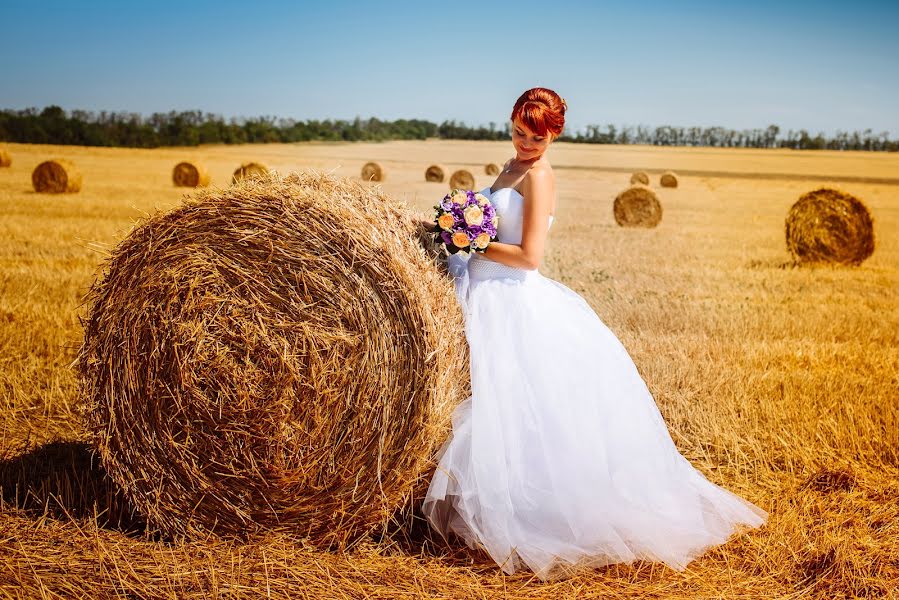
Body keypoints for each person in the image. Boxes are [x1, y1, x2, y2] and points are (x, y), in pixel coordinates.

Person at [417, 87, 767, 581]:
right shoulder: (509, 166)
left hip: (511, 297)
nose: (524, 144)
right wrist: (463, 239)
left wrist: (471, 240)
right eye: (518, 132)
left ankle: (530, 513)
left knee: (517, 411)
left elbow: (530, 257)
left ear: (553, 134)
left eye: (535, 137)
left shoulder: (540, 176)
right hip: (480, 286)